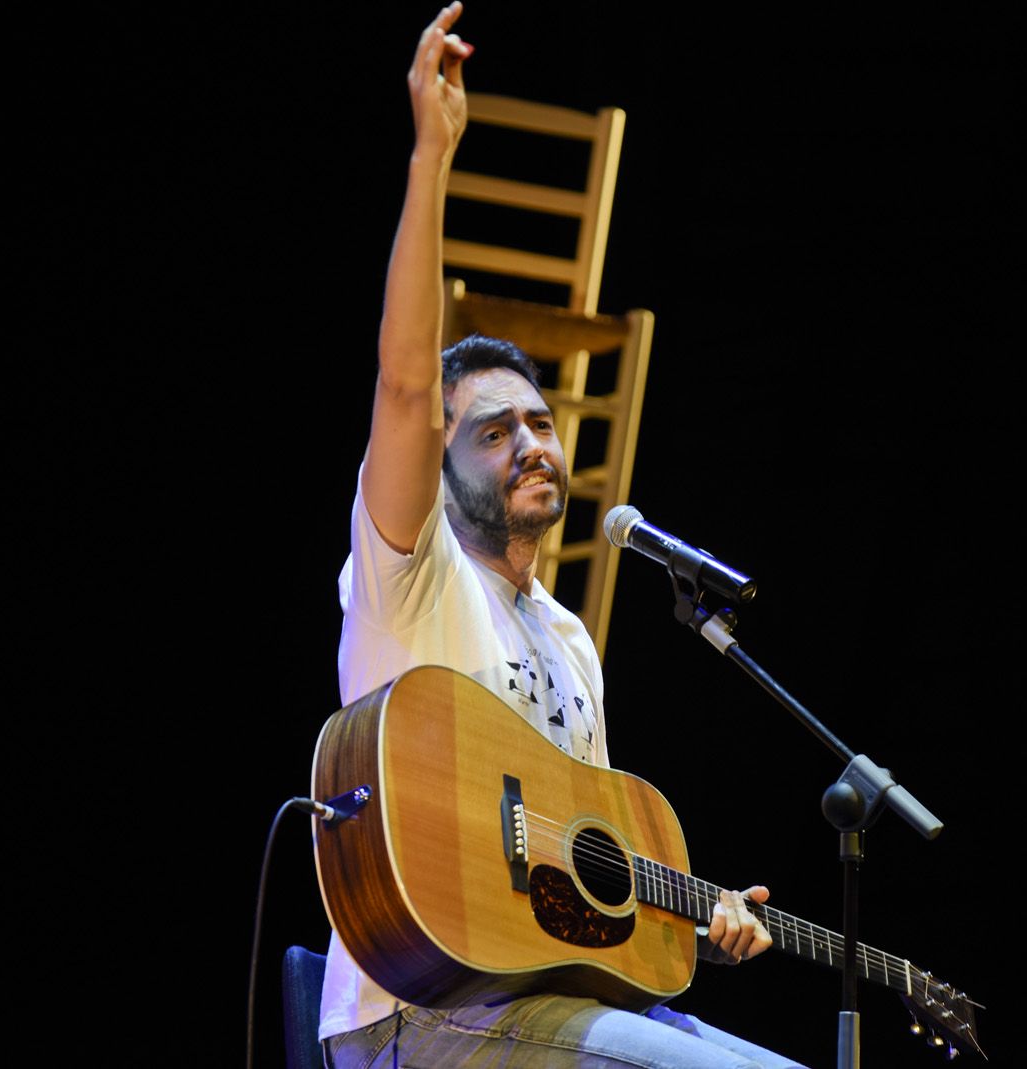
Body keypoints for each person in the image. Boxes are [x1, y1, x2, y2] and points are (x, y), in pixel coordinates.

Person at [320, 6, 804, 1066]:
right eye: (495, 432)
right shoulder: (413, 576)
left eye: (541, 423)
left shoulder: (572, 638)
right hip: (417, 1013)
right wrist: (432, 156)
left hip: (548, 997)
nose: (533, 443)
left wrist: (700, 914)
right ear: (441, 466)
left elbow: (581, 885)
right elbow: (405, 386)